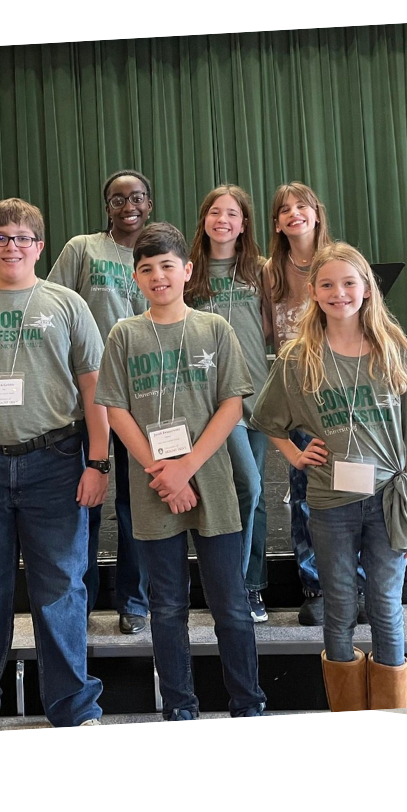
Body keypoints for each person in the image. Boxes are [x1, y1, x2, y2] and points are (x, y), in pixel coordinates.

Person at [0, 198, 108, 731]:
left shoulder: (68, 304)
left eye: (23, 238)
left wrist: (97, 462)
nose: (13, 246)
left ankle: (74, 712)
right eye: (1, 237)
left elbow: (95, 390)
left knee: (61, 592)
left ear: (39, 247)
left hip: (54, 463)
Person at [252, 242, 407, 711]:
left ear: (368, 289)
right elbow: (265, 419)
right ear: (313, 292)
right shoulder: (299, 358)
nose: (340, 293)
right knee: (338, 606)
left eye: (349, 283)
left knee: (385, 607)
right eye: (328, 284)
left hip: (388, 501)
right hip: (330, 505)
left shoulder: (394, 353)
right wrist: (295, 454)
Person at [95, 222, 267, 720]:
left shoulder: (215, 329)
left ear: (187, 271)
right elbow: (116, 409)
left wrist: (187, 467)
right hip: (153, 488)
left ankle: (248, 704)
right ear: (135, 277)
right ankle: (180, 708)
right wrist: (160, 471)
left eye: (167, 266)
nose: (158, 276)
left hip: (211, 483)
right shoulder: (124, 335)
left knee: (231, 607)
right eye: (146, 269)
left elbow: (233, 404)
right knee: (167, 609)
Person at [47, 170, 152, 634]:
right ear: (106, 206)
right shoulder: (82, 248)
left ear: (149, 203)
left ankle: (134, 601)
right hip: (87, 395)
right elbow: (53, 309)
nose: (127, 205)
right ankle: (81, 600)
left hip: (145, 397)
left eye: (136, 197)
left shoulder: (160, 252)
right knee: (84, 501)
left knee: (136, 504)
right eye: (117, 199)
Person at [185, 185, 272, 623]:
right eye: (215, 212)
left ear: (244, 223)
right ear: (203, 219)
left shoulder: (261, 271)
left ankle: (250, 588)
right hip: (215, 404)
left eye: (232, 214)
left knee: (253, 497)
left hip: (258, 398)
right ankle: (231, 590)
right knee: (244, 488)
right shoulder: (189, 272)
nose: (223, 220)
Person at [261, 181, 337, 625]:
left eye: (302, 206)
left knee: (352, 490)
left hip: (340, 391)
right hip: (297, 394)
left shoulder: (339, 258)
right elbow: (267, 331)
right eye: (285, 209)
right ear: (276, 222)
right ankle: (315, 587)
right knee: (305, 490)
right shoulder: (270, 271)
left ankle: (355, 582)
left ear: (316, 212)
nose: (294, 213)